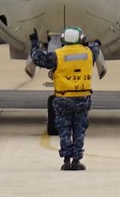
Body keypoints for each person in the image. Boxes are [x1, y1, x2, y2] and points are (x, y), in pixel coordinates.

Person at [30, 27, 101, 171]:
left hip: (63, 99)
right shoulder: (89, 53)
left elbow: (38, 58)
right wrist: (95, 42)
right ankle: (76, 161)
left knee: (64, 130)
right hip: (82, 99)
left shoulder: (58, 55)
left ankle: (66, 160)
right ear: (81, 39)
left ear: (63, 40)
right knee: (79, 131)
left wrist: (34, 43)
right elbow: (95, 46)